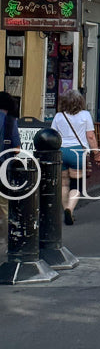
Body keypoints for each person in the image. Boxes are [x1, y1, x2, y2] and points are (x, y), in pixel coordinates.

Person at [51, 89, 100, 225]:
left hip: (61, 151)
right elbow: (90, 136)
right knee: (77, 184)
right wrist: (96, 152)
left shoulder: (58, 116)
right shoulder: (85, 115)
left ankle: (66, 210)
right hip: (78, 152)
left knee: (64, 183)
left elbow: (53, 135)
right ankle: (70, 208)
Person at [0, 91, 21, 246]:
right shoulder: (10, 120)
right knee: (5, 206)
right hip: (3, 167)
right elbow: (16, 148)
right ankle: (9, 241)